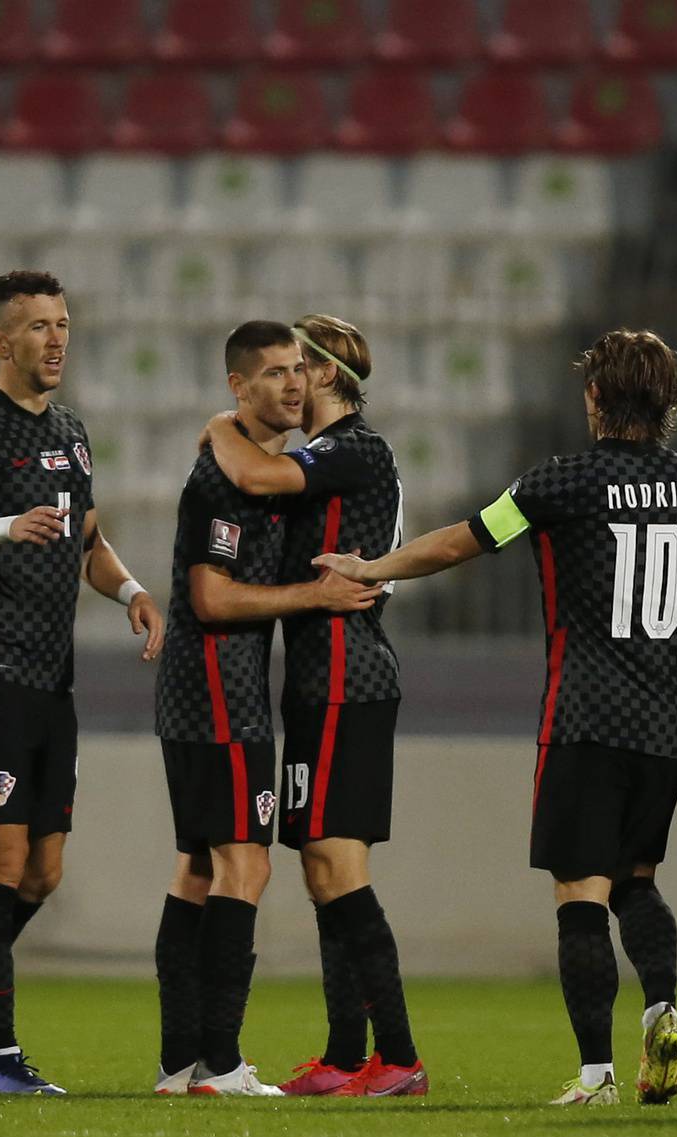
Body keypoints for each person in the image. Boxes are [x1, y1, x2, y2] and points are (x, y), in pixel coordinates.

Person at [316, 329, 677, 1108]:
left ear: (595, 398)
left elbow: (461, 543)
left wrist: (371, 565)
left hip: (584, 717)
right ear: (669, 402)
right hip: (661, 722)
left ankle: (596, 1075)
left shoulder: (562, 482)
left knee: (580, 892)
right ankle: (663, 1009)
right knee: (638, 881)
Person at [0, 271, 163, 1096]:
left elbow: (87, 538)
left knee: (43, 872)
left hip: (51, 682)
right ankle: (2, 1057)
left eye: (64, 324)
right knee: (1, 859)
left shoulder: (74, 434)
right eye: (39, 326)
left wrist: (131, 590)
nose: (57, 340)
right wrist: (7, 526)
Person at [152, 320, 382, 1097]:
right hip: (219, 686)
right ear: (238, 386)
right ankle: (219, 1062)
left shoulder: (256, 461)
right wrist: (315, 592)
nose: (293, 383)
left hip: (217, 686)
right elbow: (211, 596)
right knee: (245, 864)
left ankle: (182, 1058)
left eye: (298, 370)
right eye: (276, 372)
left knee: (196, 871)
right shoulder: (225, 476)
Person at [197, 314, 425, 1097]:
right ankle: (345, 1052)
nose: (291, 379)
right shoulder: (339, 453)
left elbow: (257, 478)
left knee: (338, 863)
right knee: (323, 869)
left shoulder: (353, 447)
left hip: (347, 675)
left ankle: (398, 1056)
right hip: (321, 677)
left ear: (326, 374)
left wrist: (221, 426)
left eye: (301, 365)